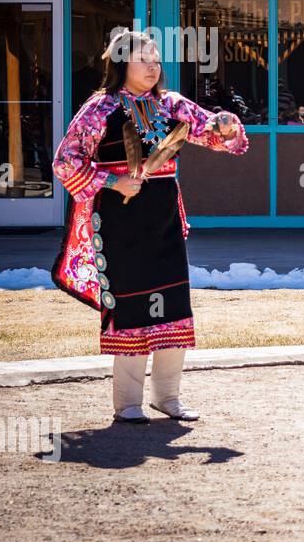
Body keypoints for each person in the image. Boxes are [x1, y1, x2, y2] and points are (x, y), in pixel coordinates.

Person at [51, 30, 248, 423]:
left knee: (173, 303)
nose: (153, 64)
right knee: (130, 305)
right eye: (144, 57)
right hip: (119, 220)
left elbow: (209, 129)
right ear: (121, 64)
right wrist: (112, 181)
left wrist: (225, 125)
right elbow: (66, 161)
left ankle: (169, 397)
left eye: (156, 57)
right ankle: (128, 403)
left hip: (164, 219)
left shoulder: (170, 105)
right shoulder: (99, 110)